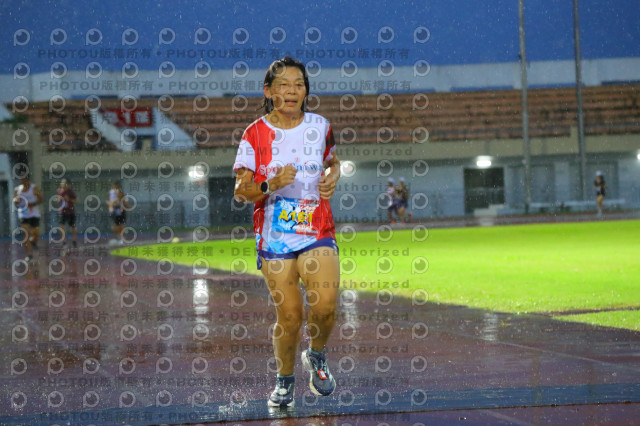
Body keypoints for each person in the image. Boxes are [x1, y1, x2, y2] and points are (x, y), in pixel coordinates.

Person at [233, 57, 341, 408]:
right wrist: (271, 183)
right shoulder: (254, 134)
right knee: (291, 316)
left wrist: (333, 176)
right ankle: (285, 379)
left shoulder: (320, 126)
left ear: (306, 90)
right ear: (269, 91)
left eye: (299, 84)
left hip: (317, 229)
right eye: (283, 84)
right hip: (275, 237)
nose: (292, 91)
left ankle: (317, 355)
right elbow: (241, 190)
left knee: (325, 305)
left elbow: (332, 162)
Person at [13, 175, 43, 262]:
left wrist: (32, 204)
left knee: (35, 233)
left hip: (34, 214)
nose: (22, 180)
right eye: (20, 178)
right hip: (23, 215)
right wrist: (16, 201)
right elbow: (15, 200)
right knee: (25, 234)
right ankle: (29, 255)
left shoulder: (34, 188)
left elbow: (41, 199)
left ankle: (34, 241)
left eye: (23, 178)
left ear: (27, 179)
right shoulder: (17, 189)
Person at [57, 178, 78, 248]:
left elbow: (76, 200)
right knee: (61, 226)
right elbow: (58, 200)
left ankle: (74, 240)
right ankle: (64, 241)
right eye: (61, 183)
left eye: (64, 183)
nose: (62, 184)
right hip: (62, 211)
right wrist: (60, 199)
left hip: (70, 211)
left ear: (68, 184)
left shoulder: (70, 192)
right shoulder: (60, 191)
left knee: (72, 226)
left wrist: (69, 199)